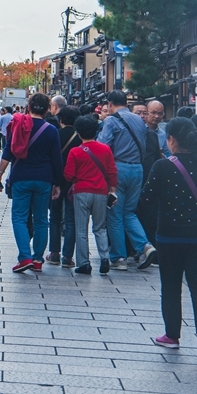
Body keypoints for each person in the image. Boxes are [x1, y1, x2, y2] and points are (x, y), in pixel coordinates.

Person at [141, 118, 197, 358]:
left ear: (171, 140)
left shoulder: (162, 166)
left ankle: (172, 335)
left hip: (169, 235)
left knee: (170, 286)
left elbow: (146, 199)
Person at [0, 93, 63, 273]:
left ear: (28, 106)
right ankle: (38, 259)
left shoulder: (19, 126)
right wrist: (58, 183)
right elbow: (57, 160)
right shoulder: (51, 130)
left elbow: (8, 152)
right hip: (44, 179)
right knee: (41, 220)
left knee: (19, 218)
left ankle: (24, 257)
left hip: (21, 178)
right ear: (47, 109)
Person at [96, 90, 155, 271]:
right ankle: (145, 246)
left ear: (110, 104)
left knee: (114, 214)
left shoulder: (111, 121)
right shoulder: (139, 120)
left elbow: (103, 145)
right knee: (129, 212)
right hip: (137, 169)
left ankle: (119, 258)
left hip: (118, 169)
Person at [64, 116, 117, 275]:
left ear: (79, 133)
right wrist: (112, 190)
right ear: (96, 131)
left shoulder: (75, 151)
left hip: (82, 192)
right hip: (101, 192)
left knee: (81, 229)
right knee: (100, 227)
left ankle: (84, 263)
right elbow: (112, 171)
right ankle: (105, 258)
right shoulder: (105, 149)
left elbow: (68, 175)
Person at [47, 105, 82, 268]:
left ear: (60, 119)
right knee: (71, 219)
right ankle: (68, 256)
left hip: (55, 180)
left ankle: (54, 253)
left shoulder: (55, 134)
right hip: (74, 182)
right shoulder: (81, 137)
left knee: (54, 217)